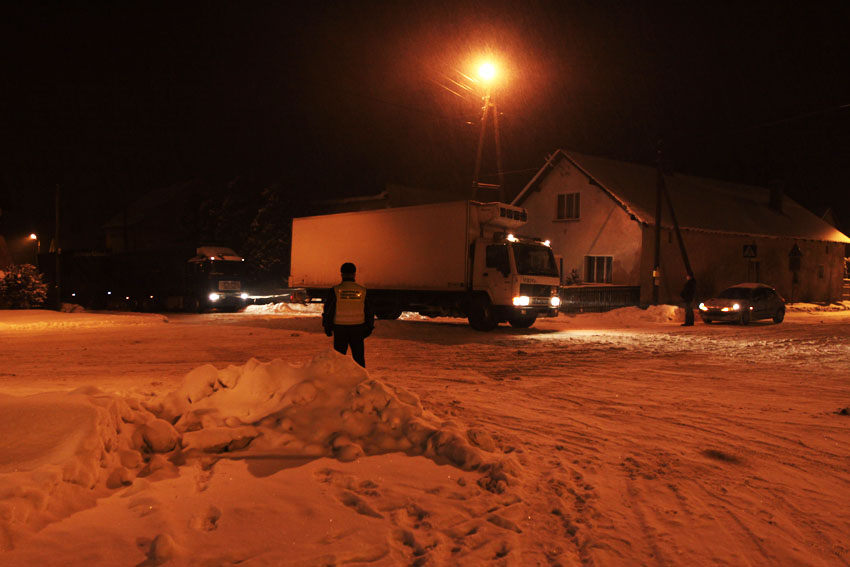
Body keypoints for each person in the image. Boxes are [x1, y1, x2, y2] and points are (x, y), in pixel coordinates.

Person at [322, 262, 374, 367]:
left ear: (341, 274)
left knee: (339, 359)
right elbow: (369, 311)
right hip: (358, 328)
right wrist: (369, 327)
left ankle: (339, 376)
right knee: (358, 358)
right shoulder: (362, 290)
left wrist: (327, 327)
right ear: (354, 274)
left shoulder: (335, 290)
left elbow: (328, 311)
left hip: (340, 328)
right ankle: (361, 376)